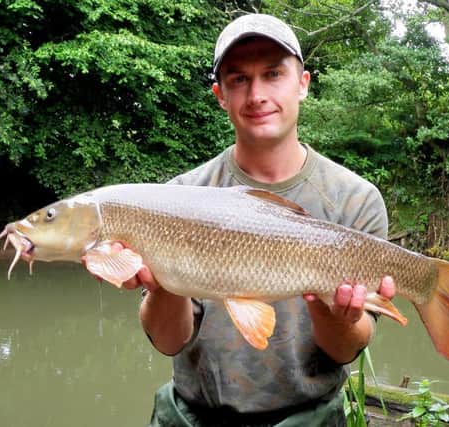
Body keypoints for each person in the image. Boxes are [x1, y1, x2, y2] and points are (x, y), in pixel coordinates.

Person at [119, 13, 396, 426]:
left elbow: (345, 351)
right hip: (193, 414)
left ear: (303, 83)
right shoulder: (181, 195)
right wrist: (163, 285)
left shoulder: (354, 200)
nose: (256, 94)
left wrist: (329, 309)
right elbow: (167, 341)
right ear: (220, 95)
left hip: (308, 416)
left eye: (273, 74)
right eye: (238, 80)